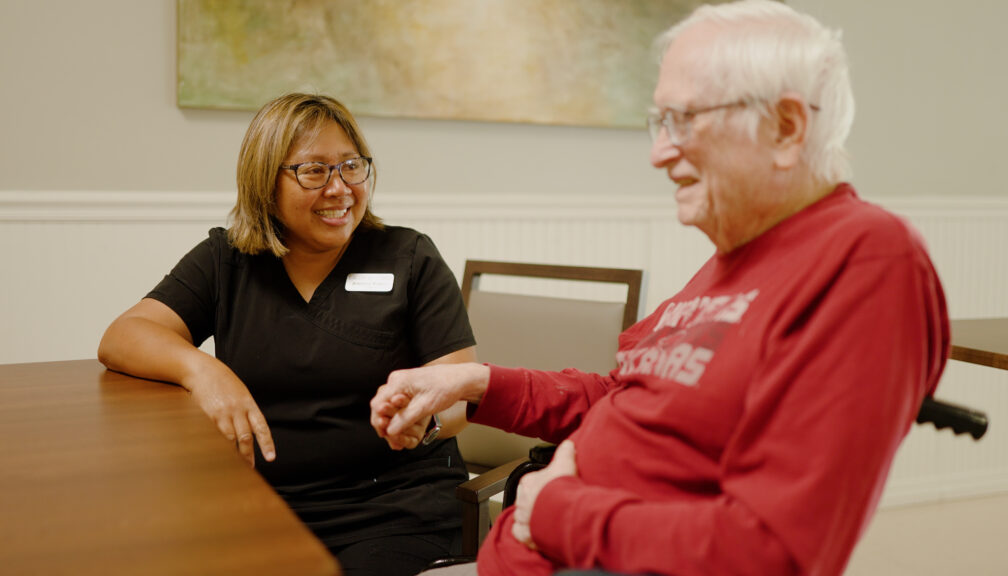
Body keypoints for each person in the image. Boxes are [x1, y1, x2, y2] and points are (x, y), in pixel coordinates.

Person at [370, 2, 950, 575]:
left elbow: (774, 552)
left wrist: (554, 510)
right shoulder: (735, 256)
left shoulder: (868, 257)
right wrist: (474, 382)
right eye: (660, 122)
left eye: (684, 121)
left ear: (785, 127)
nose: (658, 153)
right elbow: (626, 397)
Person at [97, 93, 477, 576]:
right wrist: (204, 370)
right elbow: (123, 335)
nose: (339, 189)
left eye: (351, 167)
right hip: (263, 505)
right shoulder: (227, 260)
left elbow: (459, 392)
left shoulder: (409, 257)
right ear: (265, 181)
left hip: (394, 509)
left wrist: (425, 415)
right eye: (314, 171)